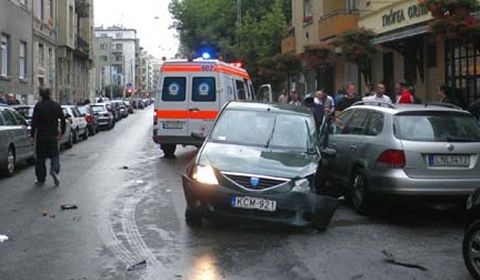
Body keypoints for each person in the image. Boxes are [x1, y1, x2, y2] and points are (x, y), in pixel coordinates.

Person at [30, 88, 66, 187]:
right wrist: (61, 133)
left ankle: (41, 179)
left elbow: (34, 122)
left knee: (40, 159)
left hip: (41, 136)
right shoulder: (55, 105)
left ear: (41, 95)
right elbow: (63, 119)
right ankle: (54, 170)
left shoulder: (38, 106)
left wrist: (32, 135)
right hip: (53, 136)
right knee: (55, 156)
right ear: (50, 94)